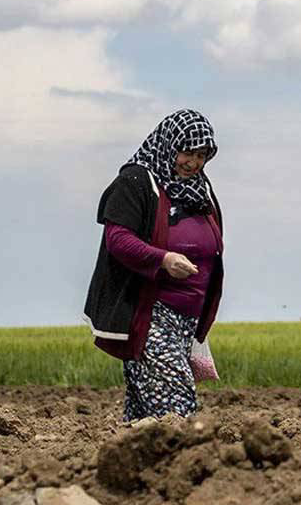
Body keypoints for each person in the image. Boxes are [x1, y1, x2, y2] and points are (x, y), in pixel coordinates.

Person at [83, 109, 225, 421]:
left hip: (187, 320)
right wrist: (163, 259)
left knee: (144, 413)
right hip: (149, 315)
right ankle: (185, 465)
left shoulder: (201, 190)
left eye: (202, 155)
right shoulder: (136, 182)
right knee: (177, 406)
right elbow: (117, 239)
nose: (194, 162)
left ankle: (132, 465)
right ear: (169, 145)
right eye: (187, 152)